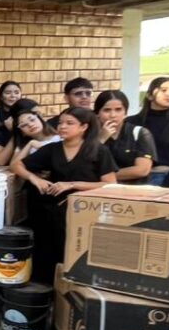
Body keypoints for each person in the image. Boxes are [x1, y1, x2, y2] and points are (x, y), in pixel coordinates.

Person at [11, 107, 117, 282]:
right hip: (53, 214)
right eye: (60, 123)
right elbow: (16, 165)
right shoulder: (53, 149)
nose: (62, 127)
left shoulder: (98, 150)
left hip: (85, 214)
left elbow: (110, 184)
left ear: (84, 127)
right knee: (47, 259)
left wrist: (73, 185)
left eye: (69, 123)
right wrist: (34, 179)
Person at [94, 90, 156, 185]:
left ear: (125, 112)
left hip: (133, 189)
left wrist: (104, 176)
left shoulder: (140, 133)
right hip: (98, 190)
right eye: (107, 110)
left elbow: (142, 170)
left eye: (118, 110)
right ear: (97, 113)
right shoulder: (90, 135)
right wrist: (101, 140)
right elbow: (84, 165)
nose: (113, 115)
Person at [0, 97, 40, 166]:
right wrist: (16, 133)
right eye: (34, 114)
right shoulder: (1, 131)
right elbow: (0, 161)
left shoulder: (41, 129)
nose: (39, 117)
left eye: (39, 114)